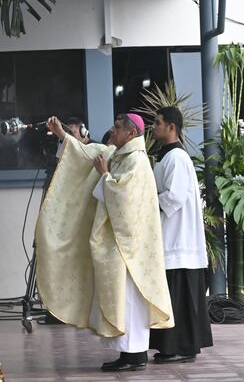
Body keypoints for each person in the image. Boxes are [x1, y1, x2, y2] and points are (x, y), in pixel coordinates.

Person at [35, 114, 173, 372]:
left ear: (131, 134)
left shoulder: (137, 162)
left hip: (129, 247)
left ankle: (135, 355)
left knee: (130, 302)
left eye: (118, 128)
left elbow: (125, 199)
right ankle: (128, 353)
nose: (112, 130)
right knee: (121, 299)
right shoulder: (120, 154)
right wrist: (63, 135)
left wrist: (106, 176)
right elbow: (90, 153)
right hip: (119, 243)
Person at [149, 106, 213, 363]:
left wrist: (147, 200)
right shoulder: (168, 156)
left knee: (178, 296)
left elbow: (174, 197)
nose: (153, 127)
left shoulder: (177, 157)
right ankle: (174, 346)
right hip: (171, 234)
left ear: (171, 127)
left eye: (157, 123)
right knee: (175, 296)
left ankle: (180, 348)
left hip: (178, 239)